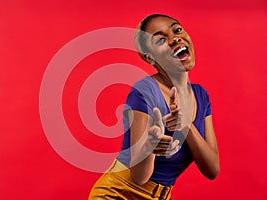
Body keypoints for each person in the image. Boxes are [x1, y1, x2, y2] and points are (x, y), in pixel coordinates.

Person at [89, 14, 219, 200]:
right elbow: (139, 177)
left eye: (177, 30)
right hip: (119, 193)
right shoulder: (144, 92)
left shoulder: (201, 95)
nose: (175, 38)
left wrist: (186, 125)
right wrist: (150, 146)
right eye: (160, 40)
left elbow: (212, 169)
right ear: (149, 57)